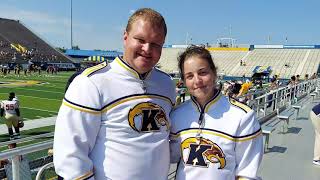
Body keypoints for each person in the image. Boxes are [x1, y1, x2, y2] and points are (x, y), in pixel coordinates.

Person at [53, 8, 176, 180]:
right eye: (140, 39)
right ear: (125, 37)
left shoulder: (166, 84)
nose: (147, 49)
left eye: (156, 44)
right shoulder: (91, 82)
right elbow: (69, 155)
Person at [170, 45, 263, 180]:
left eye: (202, 72)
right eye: (189, 76)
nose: (197, 80)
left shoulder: (243, 116)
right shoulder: (176, 115)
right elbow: (171, 156)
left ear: (214, 73)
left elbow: (247, 173)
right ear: (184, 81)